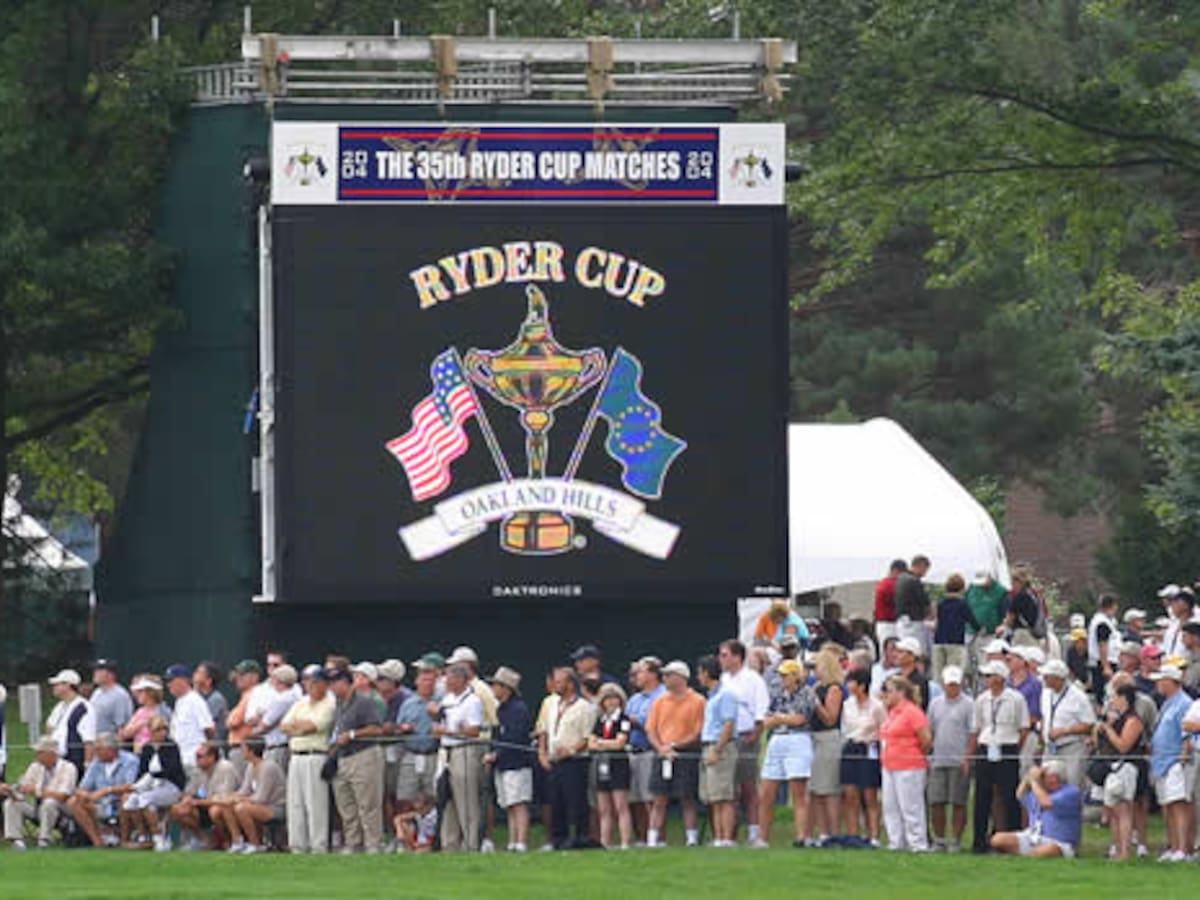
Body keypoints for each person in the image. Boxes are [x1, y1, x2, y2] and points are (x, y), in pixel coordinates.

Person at [967, 660, 1029, 853]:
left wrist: (1014, 748)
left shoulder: (1016, 698)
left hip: (1007, 746)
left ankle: (1012, 840)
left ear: (1000, 678)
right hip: (986, 747)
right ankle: (979, 841)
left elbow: (1024, 727)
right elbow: (977, 728)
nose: (987, 680)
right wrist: (971, 753)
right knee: (982, 796)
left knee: (1009, 795)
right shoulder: (982, 699)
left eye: (990, 676)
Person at [645, 660, 704, 848]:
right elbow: (651, 729)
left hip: (685, 754)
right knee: (659, 798)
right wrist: (662, 748)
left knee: (687, 797)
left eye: (669, 675)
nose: (665, 679)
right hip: (662, 754)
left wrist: (675, 746)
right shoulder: (659, 701)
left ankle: (691, 838)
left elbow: (698, 732)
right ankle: (653, 839)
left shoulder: (698, 701)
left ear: (681, 677)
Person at [718, 638, 770, 846]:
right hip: (727, 738)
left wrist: (755, 734)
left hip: (746, 735)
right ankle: (728, 834)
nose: (721, 660)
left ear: (737, 657)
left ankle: (754, 832)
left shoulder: (753, 679)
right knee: (729, 788)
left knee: (748, 786)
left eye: (725, 655)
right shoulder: (723, 680)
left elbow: (761, 708)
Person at [328, 666, 386, 854]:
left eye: (335, 683)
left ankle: (373, 845)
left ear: (346, 683)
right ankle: (353, 843)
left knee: (368, 805)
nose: (332, 687)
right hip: (343, 757)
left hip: (364, 755)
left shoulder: (364, 702)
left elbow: (377, 729)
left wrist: (353, 734)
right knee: (346, 806)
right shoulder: (338, 704)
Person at [280, 665, 336, 853]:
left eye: (313, 681)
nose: (308, 685)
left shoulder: (330, 702)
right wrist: (299, 728)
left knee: (316, 804)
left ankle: (318, 846)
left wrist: (299, 728)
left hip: (316, 755)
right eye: (306, 681)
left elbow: (314, 726)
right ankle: (297, 846)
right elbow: (284, 726)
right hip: (296, 756)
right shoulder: (301, 702)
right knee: (295, 803)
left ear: (324, 684)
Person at [543, 665, 598, 850]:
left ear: (570, 684)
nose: (555, 685)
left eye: (559, 682)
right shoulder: (552, 705)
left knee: (576, 800)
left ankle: (580, 837)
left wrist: (571, 750)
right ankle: (558, 838)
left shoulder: (584, 708)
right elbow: (545, 730)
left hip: (575, 761)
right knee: (556, 800)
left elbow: (586, 737)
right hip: (555, 760)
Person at [434, 662, 485, 852]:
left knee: (466, 800)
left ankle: (471, 844)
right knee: (445, 798)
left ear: (461, 679)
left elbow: (473, 731)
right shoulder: (447, 699)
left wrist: (448, 731)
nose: (446, 681)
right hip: (445, 751)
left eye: (450, 677)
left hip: (464, 751)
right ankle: (449, 844)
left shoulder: (472, 701)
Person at [1093, 683, 1146, 861]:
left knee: (1123, 809)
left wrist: (1108, 730)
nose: (1112, 701)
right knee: (1114, 809)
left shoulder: (1133, 720)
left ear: (1124, 698)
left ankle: (1125, 850)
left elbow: (1124, 746)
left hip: (1127, 767)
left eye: (1115, 697)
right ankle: (1116, 848)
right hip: (1113, 766)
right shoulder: (1117, 719)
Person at [879, 676, 932, 852]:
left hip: (909, 765)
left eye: (889, 690)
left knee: (911, 806)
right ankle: (896, 841)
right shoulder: (892, 712)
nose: (885, 694)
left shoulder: (912, 712)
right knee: (890, 806)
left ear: (901, 692)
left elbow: (925, 739)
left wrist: (917, 755)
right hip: (889, 764)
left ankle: (917, 843)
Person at [1149, 664, 1194, 862]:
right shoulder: (1167, 703)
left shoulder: (1184, 703)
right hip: (1161, 761)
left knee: (1178, 804)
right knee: (1167, 806)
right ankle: (1173, 845)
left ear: (1171, 681)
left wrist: (1183, 759)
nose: (1158, 684)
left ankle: (1183, 848)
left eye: (1161, 680)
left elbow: (1186, 735)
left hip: (1175, 760)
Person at [209, 736, 285, 854]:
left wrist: (238, 800)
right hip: (259, 805)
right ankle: (237, 841)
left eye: (243, 748)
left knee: (241, 808)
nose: (241, 751)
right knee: (226, 804)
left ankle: (256, 844)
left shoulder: (268, 767)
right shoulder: (251, 766)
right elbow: (244, 790)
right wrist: (229, 797)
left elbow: (261, 798)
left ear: (251, 750)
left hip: (275, 807)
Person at [990, 760, 1081, 858]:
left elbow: (1046, 803)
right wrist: (1027, 778)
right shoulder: (1040, 791)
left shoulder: (1071, 792)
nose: (1041, 780)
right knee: (997, 839)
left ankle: (1027, 855)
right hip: (1033, 837)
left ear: (1055, 779)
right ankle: (1030, 854)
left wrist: (1034, 782)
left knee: (1047, 850)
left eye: (1044, 777)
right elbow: (1020, 795)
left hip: (1059, 842)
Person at [926, 666, 973, 852]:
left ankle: (955, 840)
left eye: (955, 684)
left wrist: (967, 757)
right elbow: (930, 730)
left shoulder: (968, 704)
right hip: (938, 759)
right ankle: (939, 840)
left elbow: (972, 732)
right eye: (949, 685)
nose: (952, 688)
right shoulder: (935, 704)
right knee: (937, 801)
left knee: (958, 801)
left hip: (958, 759)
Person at [1, 736, 78, 850]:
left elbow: (63, 795)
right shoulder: (35, 767)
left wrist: (37, 791)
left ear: (51, 754)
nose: (36, 756)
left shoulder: (68, 768)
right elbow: (24, 788)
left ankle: (44, 840)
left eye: (39, 753)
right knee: (11, 803)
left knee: (49, 803)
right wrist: (12, 792)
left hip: (60, 809)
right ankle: (16, 840)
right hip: (37, 807)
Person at [121, 716, 186, 850]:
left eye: (163, 730)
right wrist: (138, 785)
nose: (161, 733)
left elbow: (172, 770)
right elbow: (142, 770)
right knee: (132, 799)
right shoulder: (147, 748)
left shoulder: (171, 747)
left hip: (170, 786)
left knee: (146, 799)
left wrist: (152, 777)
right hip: (149, 785)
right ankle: (144, 836)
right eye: (157, 730)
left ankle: (158, 837)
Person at [487, 666, 533, 853]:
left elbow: (515, 737)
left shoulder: (518, 709)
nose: (493, 689)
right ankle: (512, 842)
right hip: (503, 765)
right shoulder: (502, 709)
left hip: (517, 764)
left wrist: (497, 753)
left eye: (496, 685)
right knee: (508, 804)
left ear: (506, 688)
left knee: (518, 803)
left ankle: (521, 842)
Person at [66, 732, 139, 848]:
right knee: (74, 802)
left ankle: (124, 840)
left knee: (127, 798)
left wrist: (107, 790)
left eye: (99, 749)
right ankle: (97, 840)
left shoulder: (130, 761)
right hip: (99, 804)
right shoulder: (96, 763)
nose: (96, 752)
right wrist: (85, 795)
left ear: (111, 750)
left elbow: (130, 786)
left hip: (118, 801)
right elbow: (82, 787)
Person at [695, 655, 739, 847]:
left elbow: (729, 724)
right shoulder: (711, 696)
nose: (698, 677)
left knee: (723, 795)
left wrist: (718, 750)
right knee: (713, 796)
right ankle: (718, 837)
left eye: (700, 673)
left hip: (720, 747)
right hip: (708, 746)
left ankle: (726, 838)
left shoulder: (726, 695)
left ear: (706, 673)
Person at [839, 666, 884, 846]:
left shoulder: (877, 706)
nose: (849, 685)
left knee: (869, 795)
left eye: (852, 682)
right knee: (850, 794)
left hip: (869, 748)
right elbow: (845, 728)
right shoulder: (847, 705)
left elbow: (882, 729)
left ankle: (873, 836)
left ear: (862, 685)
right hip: (851, 747)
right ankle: (853, 835)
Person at [168, 741, 239, 850]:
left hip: (225, 805)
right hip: (204, 804)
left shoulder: (225, 768)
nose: (197, 760)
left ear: (211, 757)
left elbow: (223, 798)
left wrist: (197, 802)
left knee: (215, 811)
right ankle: (202, 839)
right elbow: (190, 791)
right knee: (177, 809)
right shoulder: (198, 770)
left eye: (200, 757)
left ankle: (228, 841)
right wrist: (187, 799)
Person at [395, 658, 440, 828]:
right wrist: (403, 728)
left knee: (432, 796)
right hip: (411, 754)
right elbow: (398, 729)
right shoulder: (408, 704)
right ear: (416, 682)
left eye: (430, 680)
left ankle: (430, 834)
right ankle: (406, 833)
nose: (427, 684)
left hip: (432, 753)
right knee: (405, 796)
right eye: (423, 680)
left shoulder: (441, 701)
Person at [808, 644, 845, 841]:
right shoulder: (816, 687)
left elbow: (831, 718)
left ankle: (834, 831)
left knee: (829, 788)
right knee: (816, 789)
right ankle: (823, 833)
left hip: (828, 738)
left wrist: (815, 703)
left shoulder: (834, 689)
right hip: (814, 738)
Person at [625, 656, 665, 842]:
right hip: (633, 751)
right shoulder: (634, 699)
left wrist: (637, 721)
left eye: (640, 672)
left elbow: (654, 724)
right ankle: (642, 838)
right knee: (636, 800)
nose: (636, 676)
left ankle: (657, 838)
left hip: (652, 751)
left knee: (652, 799)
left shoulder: (663, 695)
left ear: (652, 674)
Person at [1039, 659, 1095, 787]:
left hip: (1071, 748)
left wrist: (1065, 730)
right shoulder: (1045, 693)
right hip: (1050, 748)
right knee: (1045, 784)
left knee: (1072, 784)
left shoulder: (1078, 697)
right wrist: (1040, 744)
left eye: (1047, 677)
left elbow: (1089, 724)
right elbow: (1044, 717)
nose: (1044, 679)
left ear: (1058, 678)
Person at [164, 664, 215, 776]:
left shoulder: (195, 700)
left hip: (194, 761)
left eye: (171, 680)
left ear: (184, 680)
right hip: (180, 760)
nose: (168, 685)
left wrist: (202, 753)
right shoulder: (179, 702)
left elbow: (209, 729)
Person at [46, 668, 95, 775]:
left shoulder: (83, 708)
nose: (54, 687)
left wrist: (87, 765)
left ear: (67, 685)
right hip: (57, 760)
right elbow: (49, 727)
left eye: (57, 684)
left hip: (74, 762)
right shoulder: (59, 706)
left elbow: (89, 741)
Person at [255, 663, 301, 774]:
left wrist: (255, 728)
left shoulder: (283, 699)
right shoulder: (294, 695)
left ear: (279, 680)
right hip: (284, 746)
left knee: (276, 782)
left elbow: (264, 726)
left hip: (278, 747)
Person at [932, 575, 979, 682]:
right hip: (955, 641)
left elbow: (937, 621)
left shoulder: (941, 603)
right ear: (962, 588)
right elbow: (973, 622)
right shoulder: (962, 604)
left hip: (939, 641)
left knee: (938, 675)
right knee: (954, 674)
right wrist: (979, 628)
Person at [1007, 647, 1043, 780]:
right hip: (1008, 732)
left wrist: (1021, 733)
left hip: (1028, 734)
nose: (1009, 659)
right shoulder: (1006, 682)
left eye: (1014, 657)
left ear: (1023, 661)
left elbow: (1035, 715)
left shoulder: (1035, 684)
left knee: (1025, 770)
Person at [965, 573, 1007, 680]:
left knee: (986, 665)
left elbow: (1005, 614)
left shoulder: (1001, 592)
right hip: (970, 633)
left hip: (990, 635)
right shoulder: (971, 589)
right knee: (967, 667)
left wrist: (1002, 626)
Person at [894, 555, 932, 653]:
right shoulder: (914, 581)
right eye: (925, 569)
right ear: (919, 566)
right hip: (914, 622)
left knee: (904, 650)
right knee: (917, 651)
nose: (925, 573)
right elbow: (924, 602)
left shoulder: (900, 578)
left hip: (901, 621)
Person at [1087, 595, 1121, 701]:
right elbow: (1102, 644)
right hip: (1103, 663)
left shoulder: (1104, 620)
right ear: (1112, 606)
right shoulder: (1102, 623)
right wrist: (1106, 666)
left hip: (1103, 662)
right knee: (1106, 693)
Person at [90, 660, 134, 741]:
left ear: (111, 674)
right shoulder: (96, 693)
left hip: (109, 746)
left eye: (100, 670)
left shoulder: (119, 695)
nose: (95, 673)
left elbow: (122, 728)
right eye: (95, 670)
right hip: (95, 743)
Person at [1000, 568, 1040, 648]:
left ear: (1019, 582)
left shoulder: (1019, 597)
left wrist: (1004, 623)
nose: (1012, 585)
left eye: (1013, 582)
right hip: (1034, 632)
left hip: (1021, 633)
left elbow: (1011, 618)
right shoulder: (1033, 594)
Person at [193, 661, 229, 744]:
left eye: (199, 672)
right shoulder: (197, 697)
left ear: (209, 681)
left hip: (212, 750)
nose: (195, 674)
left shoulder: (216, 699)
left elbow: (200, 723)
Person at [874, 559, 907, 643]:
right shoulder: (891, 584)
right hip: (889, 623)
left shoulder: (884, 583)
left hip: (887, 623)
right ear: (895, 570)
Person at [894, 638, 930, 710]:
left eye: (900, 652)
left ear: (912, 656)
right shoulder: (893, 677)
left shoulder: (920, 681)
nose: (896, 655)